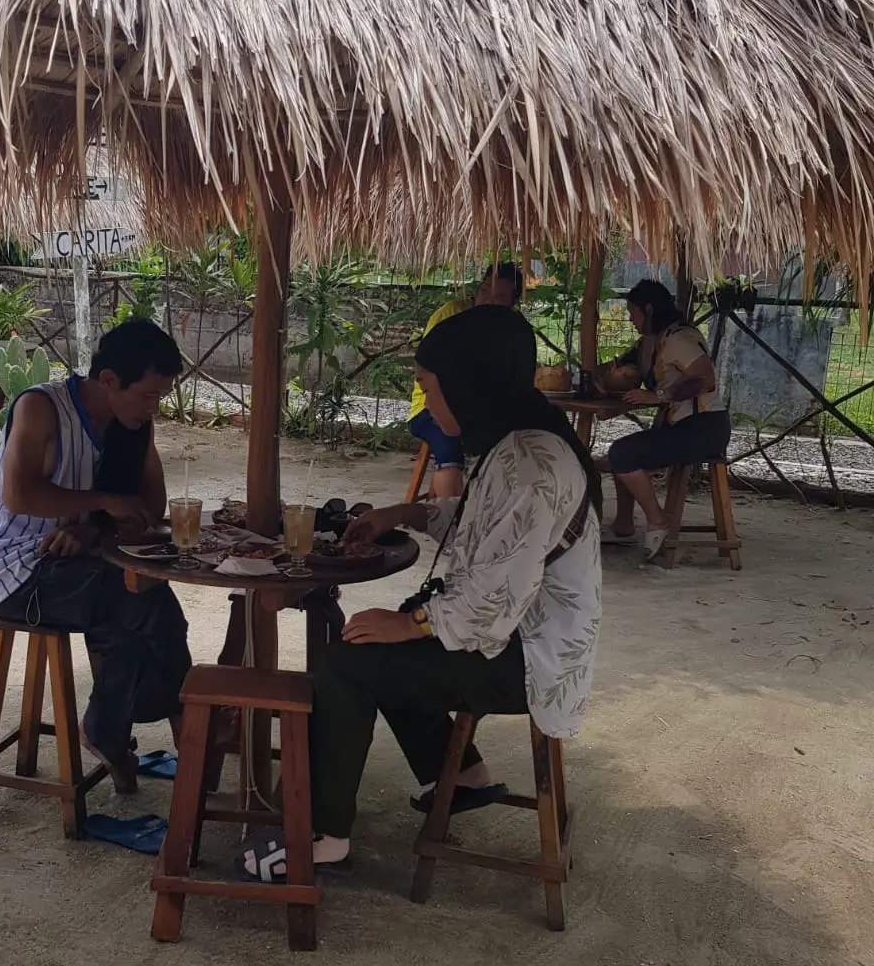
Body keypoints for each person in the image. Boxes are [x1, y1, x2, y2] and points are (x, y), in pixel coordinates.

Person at [240, 306, 602, 880]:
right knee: (382, 634)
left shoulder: (534, 464)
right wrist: (404, 514)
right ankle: (462, 776)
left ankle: (322, 837)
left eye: (428, 387)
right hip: (519, 637)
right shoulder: (520, 442)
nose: (426, 402)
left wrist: (410, 625)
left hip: (528, 658)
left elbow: (492, 598)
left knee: (349, 663)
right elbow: (483, 524)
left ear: (468, 381)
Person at [0, 318, 191, 792]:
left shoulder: (133, 426)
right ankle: (180, 734)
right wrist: (104, 503)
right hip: (17, 568)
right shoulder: (41, 408)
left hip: (78, 560)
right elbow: (19, 495)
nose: (154, 407)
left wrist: (91, 528)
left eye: (160, 397)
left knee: (141, 611)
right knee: (148, 603)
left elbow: (150, 507)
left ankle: (128, 728)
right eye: (148, 395)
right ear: (109, 380)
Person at [599, 279, 730, 561]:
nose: (630, 320)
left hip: (704, 427)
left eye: (633, 313)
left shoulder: (680, 339)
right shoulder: (650, 342)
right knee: (622, 451)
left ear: (648, 310)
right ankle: (623, 525)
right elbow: (619, 369)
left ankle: (658, 520)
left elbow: (705, 378)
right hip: (681, 426)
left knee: (623, 454)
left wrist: (661, 395)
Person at [407, 261, 525, 498]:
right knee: (450, 449)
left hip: (481, 411)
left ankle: (477, 505)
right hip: (431, 407)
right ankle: (455, 516)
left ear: (513, 303)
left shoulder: (512, 328)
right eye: (485, 291)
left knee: (514, 442)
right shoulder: (452, 314)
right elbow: (428, 368)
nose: (488, 300)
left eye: (500, 297)